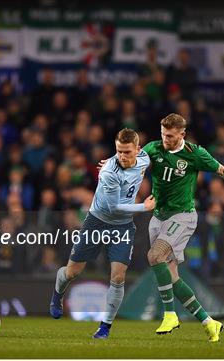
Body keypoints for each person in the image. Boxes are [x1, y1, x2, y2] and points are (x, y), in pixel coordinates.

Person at [141, 113, 224, 342]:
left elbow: (223, 170)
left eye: (170, 136)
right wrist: (112, 162)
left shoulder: (195, 154)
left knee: (155, 256)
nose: (165, 139)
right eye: (163, 134)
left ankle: (169, 314)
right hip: (158, 218)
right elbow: (133, 159)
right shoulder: (154, 148)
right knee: (172, 277)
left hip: (183, 216)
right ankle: (209, 322)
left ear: (182, 134)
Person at [50, 128, 155, 339]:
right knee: (72, 272)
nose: (123, 157)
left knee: (118, 277)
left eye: (127, 152)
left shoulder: (144, 158)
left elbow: (156, 151)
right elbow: (114, 207)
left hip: (123, 227)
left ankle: (104, 328)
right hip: (97, 222)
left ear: (138, 149)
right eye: (119, 151)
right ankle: (57, 295)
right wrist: (143, 207)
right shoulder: (108, 172)